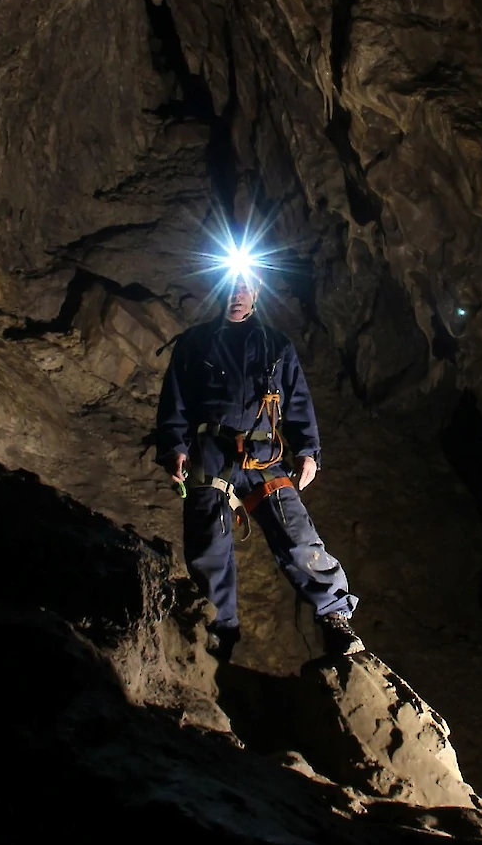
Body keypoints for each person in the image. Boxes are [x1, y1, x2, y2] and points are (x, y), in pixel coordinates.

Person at [154, 272, 361, 659]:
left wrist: (308, 452)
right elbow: (175, 402)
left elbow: (297, 402)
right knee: (209, 549)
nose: (237, 295)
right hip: (211, 454)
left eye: (244, 287)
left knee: (297, 534)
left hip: (264, 456)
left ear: (256, 293)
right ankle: (216, 638)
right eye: (231, 286)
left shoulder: (276, 346)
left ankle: (335, 619)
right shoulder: (194, 343)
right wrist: (174, 447)